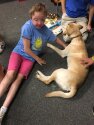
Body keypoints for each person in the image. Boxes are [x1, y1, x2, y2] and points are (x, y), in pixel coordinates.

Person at [0, 3, 66, 123]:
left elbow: (55, 38)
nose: (39, 23)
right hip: (19, 53)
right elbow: (26, 49)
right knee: (10, 75)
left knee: (18, 79)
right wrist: (38, 59)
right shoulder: (27, 27)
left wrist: (65, 46)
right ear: (31, 17)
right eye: (36, 19)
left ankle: (3, 109)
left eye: (42, 20)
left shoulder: (45, 29)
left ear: (45, 18)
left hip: (29, 59)